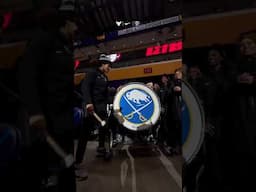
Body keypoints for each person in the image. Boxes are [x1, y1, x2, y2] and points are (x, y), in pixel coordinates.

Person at [17, 2, 79, 191]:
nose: (76, 29)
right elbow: (26, 76)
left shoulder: (66, 48)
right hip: (48, 119)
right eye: (74, 24)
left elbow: (65, 85)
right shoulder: (42, 41)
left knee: (67, 167)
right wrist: (35, 112)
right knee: (50, 173)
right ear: (65, 23)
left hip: (64, 120)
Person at [80, 54, 112, 155]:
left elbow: (106, 93)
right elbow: (85, 88)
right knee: (85, 133)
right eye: (108, 65)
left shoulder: (105, 77)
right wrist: (88, 103)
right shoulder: (92, 73)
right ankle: (77, 159)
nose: (109, 68)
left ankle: (101, 148)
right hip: (91, 108)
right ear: (102, 64)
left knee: (104, 128)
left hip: (101, 108)